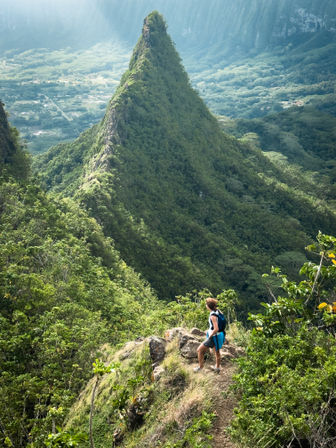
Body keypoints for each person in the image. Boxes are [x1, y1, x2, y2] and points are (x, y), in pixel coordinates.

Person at [194, 297, 225, 373]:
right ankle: (217, 368)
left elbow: (216, 328)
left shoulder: (213, 316)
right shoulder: (218, 311)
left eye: (206, 304)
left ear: (208, 306)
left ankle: (200, 368)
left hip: (214, 336)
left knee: (199, 350)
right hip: (220, 335)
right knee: (216, 352)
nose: (205, 305)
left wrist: (210, 336)